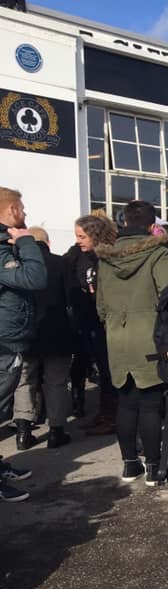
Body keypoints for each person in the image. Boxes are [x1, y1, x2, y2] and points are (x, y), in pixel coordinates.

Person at [95, 200, 168, 486]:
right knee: (151, 405)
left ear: (125, 222)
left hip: (116, 337)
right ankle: (154, 467)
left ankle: (130, 464)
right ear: (153, 226)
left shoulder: (105, 257)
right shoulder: (159, 253)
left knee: (126, 402)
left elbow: (101, 305)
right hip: (149, 336)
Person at [0, 188, 47, 502]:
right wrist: (28, 241)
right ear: (12, 209)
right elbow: (34, 278)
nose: (26, 214)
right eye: (23, 209)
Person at [12, 226, 73, 450]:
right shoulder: (61, 263)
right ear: (47, 243)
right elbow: (71, 300)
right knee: (56, 382)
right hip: (57, 332)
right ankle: (56, 431)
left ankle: (23, 431)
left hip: (26, 332)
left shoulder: (18, 266)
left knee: (24, 381)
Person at [67, 214, 118, 434]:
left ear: (95, 235)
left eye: (82, 236)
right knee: (100, 370)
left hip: (106, 323)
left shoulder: (108, 256)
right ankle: (103, 413)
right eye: (76, 236)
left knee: (108, 372)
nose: (78, 240)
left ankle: (111, 417)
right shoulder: (77, 254)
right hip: (86, 321)